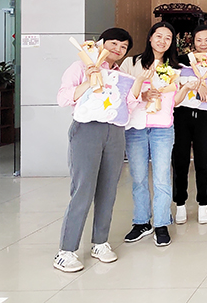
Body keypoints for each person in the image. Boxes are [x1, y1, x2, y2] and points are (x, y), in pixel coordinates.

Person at [53, 28, 144, 272]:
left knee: (108, 190)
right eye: (113, 43)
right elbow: (63, 98)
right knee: (83, 189)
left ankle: (100, 242)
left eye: (123, 47)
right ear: (100, 43)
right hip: (86, 130)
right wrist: (88, 80)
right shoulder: (80, 67)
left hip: (115, 131)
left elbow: (127, 106)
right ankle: (66, 251)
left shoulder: (121, 76)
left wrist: (138, 87)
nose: (118, 49)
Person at [121, 22, 193, 247]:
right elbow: (121, 92)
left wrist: (184, 88)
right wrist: (141, 95)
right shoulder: (131, 62)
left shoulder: (176, 68)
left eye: (168, 38)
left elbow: (175, 101)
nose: (162, 41)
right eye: (159, 36)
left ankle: (161, 223)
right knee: (139, 177)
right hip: (136, 126)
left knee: (162, 177)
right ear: (150, 37)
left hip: (162, 127)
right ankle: (142, 222)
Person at [172, 25, 207, 225]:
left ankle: (203, 204)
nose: (203, 44)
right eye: (199, 40)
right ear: (192, 41)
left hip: (204, 117)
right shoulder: (180, 62)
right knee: (180, 161)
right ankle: (180, 204)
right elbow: (172, 87)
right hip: (181, 116)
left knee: (203, 160)